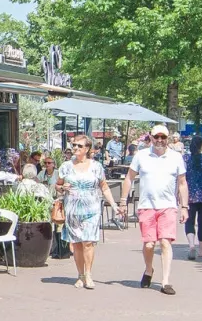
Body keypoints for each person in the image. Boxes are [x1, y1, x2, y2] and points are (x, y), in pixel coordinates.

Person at [124, 124, 186, 295]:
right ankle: (149, 269)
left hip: (168, 206)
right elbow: (129, 178)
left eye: (163, 137)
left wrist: (185, 207)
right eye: (156, 137)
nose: (160, 140)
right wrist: (123, 201)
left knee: (165, 242)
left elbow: (182, 183)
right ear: (150, 137)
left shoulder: (176, 157)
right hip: (147, 206)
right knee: (149, 244)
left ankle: (166, 281)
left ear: (168, 138)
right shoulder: (141, 156)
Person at [55, 135, 118, 289]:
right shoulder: (65, 166)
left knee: (88, 242)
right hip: (72, 209)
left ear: (87, 149)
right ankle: (80, 275)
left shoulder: (96, 167)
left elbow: (104, 187)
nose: (75, 148)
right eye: (74, 145)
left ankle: (88, 274)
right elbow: (57, 185)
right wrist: (62, 188)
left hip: (92, 209)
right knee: (76, 244)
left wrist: (114, 205)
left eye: (79, 146)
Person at [181, 134, 202, 260]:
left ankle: (191, 245)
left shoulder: (185, 158)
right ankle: (201, 250)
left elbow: (181, 176)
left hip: (190, 193)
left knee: (189, 221)